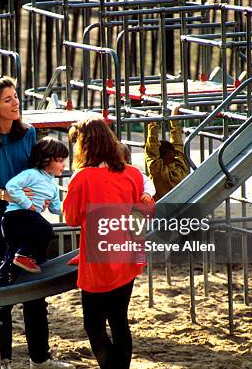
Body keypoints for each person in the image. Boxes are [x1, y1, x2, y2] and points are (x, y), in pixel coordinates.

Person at [0, 75, 74, 369]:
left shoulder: (27, 134)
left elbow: (35, 172)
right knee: (3, 294)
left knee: (35, 291)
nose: (16, 103)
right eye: (8, 99)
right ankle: (4, 359)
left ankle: (40, 358)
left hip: (26, 217)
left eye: (16, 96)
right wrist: (3, 193)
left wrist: (43, 193)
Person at [63, 117, 154, 369]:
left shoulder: (82, 178)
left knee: (93, 324)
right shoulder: (133, 174)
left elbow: (70, 218)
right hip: (126, 256)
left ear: (84, 145)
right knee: (119, 320)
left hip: (98, 262)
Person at [0, 137, 68, 288]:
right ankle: (24, 255)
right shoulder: (32, 174)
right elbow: (11, 186)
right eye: (59, 160)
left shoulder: (52, 184)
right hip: (15, 217)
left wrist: (72, 206)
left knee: (12, 255)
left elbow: (55, 207)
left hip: (28, 222)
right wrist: (28, 204)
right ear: (45, 160)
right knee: (45, 228)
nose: (63, 164)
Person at [144, 106, 189, 200]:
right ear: (174, 154)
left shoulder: (159, 172)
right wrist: (174, 120)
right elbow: (178, 145)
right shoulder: (181, 167)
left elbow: (151, 151)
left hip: (161, 208)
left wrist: (152, 125)